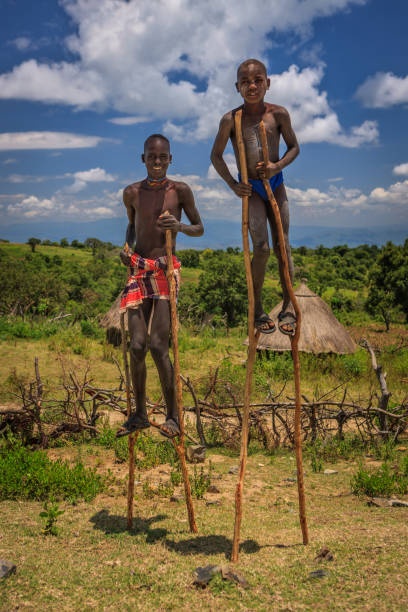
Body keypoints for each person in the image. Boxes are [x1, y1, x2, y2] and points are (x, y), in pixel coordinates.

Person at [116, 134, 204, 438]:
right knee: (137, 345)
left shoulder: (179, 191)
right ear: (143, 159)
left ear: (170, 159)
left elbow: (199, 228)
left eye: (162, 157)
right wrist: (126, 248)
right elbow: (131, 224)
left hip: (165, 271)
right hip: (139, 271)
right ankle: (139, 413)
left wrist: (178, 227)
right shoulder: (131, 193)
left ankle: (173, 416)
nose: (157, 163)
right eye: (151, 157)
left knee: (158, 346)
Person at [210, 58, 299, 335]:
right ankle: (257, 308)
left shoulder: (278, 115)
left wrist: (276, 166)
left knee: (282, 245)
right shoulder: (231, 119)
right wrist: (233, 184)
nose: (252, 86)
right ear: (237, 87)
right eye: (246, 82)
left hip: (276, 184)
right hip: (251, 190)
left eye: (258, 80)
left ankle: (288, 306)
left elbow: (294, 147)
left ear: (267, 84)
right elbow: (216, 155)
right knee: (261, 248)